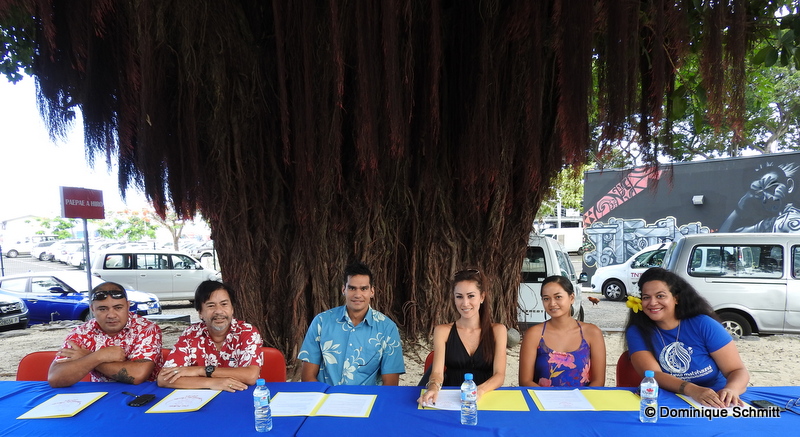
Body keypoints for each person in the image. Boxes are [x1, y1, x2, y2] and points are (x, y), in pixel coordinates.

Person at [625, 267, 749, 407]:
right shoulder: (637, 331)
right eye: (646, 297)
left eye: (660, 296)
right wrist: (692, 390)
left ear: (676, 298)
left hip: (717, 400)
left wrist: (731, 390)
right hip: (669, 401)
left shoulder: (703, 324)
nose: (652, 303)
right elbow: (653, 375)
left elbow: (737, 370)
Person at [298, 261, 405, 385]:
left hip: (368, 401)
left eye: (364, 288)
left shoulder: (387, 328)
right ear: (344, 290)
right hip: (326, 399)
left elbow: (390, 385)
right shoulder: (321, 322)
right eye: (352, 288)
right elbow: (307, 377)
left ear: (372, 292)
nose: (358, 294)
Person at [418, 269, 507, 407]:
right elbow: (437, 372)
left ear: (482, 297)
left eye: (471, 296)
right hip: (450, 398)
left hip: (487, 396)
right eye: (459, 297)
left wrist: (479, 391)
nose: (465, 303)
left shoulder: (498, 330)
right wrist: (433, 388)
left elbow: (499, 375)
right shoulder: (442, 331)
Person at [48, 282, 164, 387]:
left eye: (118, 308)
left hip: (144, 395)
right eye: (103, 309)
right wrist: (99, 356)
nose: (111, 315)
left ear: (128, 306)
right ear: (92, 309)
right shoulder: (80, 333)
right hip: (99, 396)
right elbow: (56, 379)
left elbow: (137, 375)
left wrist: (87, 357)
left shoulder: (146, 328)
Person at [158, 280, 263, 392]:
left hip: (239, 396)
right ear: (200, 313)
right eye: (211, 305)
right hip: (199, 400)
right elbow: (164, 378)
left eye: (224, 304)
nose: (218, 311)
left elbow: (250, 376)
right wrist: (212, 382)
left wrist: (200, 371)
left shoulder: (247, 332)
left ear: (232, 309)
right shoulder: (191, 334)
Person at [518, 275, 606, 387]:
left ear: (572, 298)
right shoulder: (534, 334)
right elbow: (525, 381)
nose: (552, 303)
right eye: (546, 298)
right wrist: (551, 401)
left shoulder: (592, 333)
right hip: (543, 401)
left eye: (558, 297)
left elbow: (598, 382)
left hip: (583, 401)